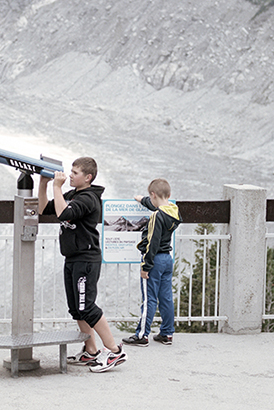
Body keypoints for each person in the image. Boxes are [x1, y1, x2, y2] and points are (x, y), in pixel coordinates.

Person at [38, 157, 126, 373]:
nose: (70, 175)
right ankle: (91, 351)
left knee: (87, 306)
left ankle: (114, 351)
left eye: (75, 173)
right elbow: (44, 209)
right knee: (76, 309)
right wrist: (43, 184)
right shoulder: (73, 195)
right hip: (72, 258)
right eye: (71, 171)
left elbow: (64, 214)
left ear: (88, 177)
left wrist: (57, 187)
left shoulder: (88, 198)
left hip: (86, 259)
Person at [123, 179, 181, 347]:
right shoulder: (173, 211)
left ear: (153, 194)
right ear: (169, 195)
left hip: (154, 260)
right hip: (167, 259)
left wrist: (145, 266)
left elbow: (152, 243)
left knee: (149, 299)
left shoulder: (157, 216)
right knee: (166, 298)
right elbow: (158, 205)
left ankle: (142, 335)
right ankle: (167, 333)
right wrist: (143, 200)